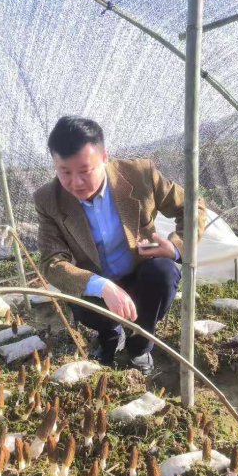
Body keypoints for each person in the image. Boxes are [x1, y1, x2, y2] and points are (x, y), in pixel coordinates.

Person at [34, 116, 206, 375]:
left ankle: (140, 346)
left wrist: (175, 247)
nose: (75, 182)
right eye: (65, 172)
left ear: (104, 157)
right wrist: (102, 286)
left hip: (140, 274)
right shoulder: (49, 200)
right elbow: (51, 262)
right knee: (80, 300)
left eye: (85, 171)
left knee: (163, 271)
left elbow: (192, 206)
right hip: (96, 284)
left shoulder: (139, 175)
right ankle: (110, 334)